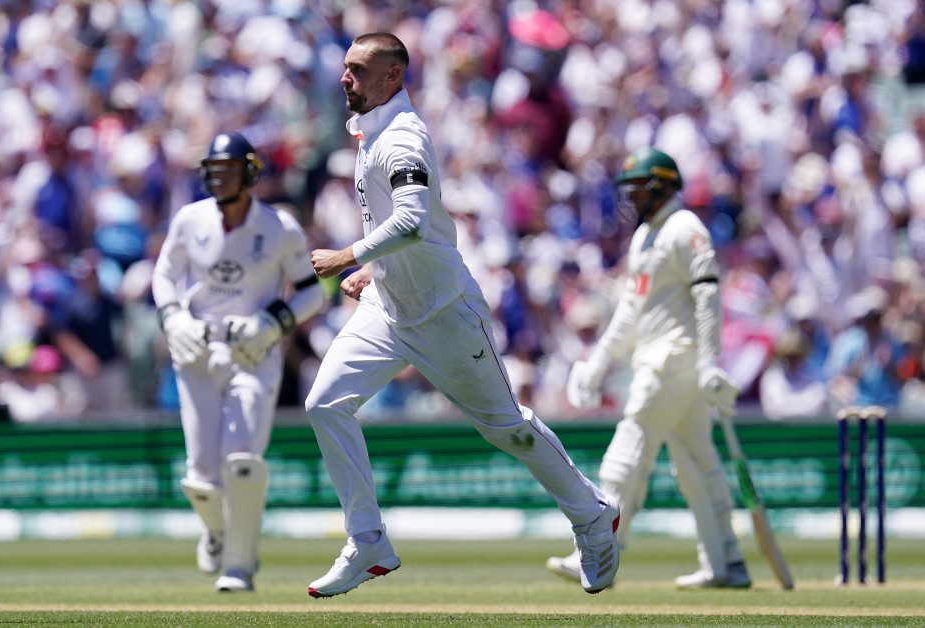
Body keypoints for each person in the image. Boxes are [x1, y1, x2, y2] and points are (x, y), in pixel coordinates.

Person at [305, 32, 620, 598]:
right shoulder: (371, 130)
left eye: (359, 69)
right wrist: (375, 270)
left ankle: (593, 516)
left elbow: (412, 222)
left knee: (508, 429)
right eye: (346, 67)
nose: (346, 77)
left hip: (444, 312)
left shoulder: (403, 136)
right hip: (388, 306)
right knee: (324, 403)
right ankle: (368, 539)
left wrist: (346, 256)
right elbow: (405, 228)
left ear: (392, 76)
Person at [548, 147, 752, 589]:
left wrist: (709, 362)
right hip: (661, 360)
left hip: (673, 360)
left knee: (627, 452)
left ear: (661, 186)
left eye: (638, 188)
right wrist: (598, 361)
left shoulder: (686, 229)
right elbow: (629, 311)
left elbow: (708, 295)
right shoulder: (645, 235)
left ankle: (598, 554)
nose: (631, 198)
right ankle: (726, 562)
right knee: (697, 464)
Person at [151, 132, 324, 592]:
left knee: (242, 461)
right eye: (214, 169)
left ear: (249, 173)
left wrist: (273, 322)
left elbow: (311, 291)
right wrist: (173, 318)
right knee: (202, 475)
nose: (220, 178)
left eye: (229, 169)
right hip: (196, 349)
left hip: (254, 352)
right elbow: (164, 275)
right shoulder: (190, 219)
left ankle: (239, 566)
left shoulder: (279, 227)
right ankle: (217, 532)